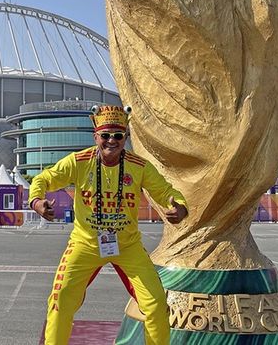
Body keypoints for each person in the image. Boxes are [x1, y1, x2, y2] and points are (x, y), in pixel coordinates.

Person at [29, 105, 188, 345]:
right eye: (105, 135)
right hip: (85, 245)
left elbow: (165, 190)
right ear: (96, 137)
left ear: (125, 137)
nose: (111, 141)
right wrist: (37, 201)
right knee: (60, 299)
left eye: (118, 135)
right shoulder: (79, 162)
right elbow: (44, 178)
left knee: (156, 304)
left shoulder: (139, 166)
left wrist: (179, 205)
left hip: (128, 246)